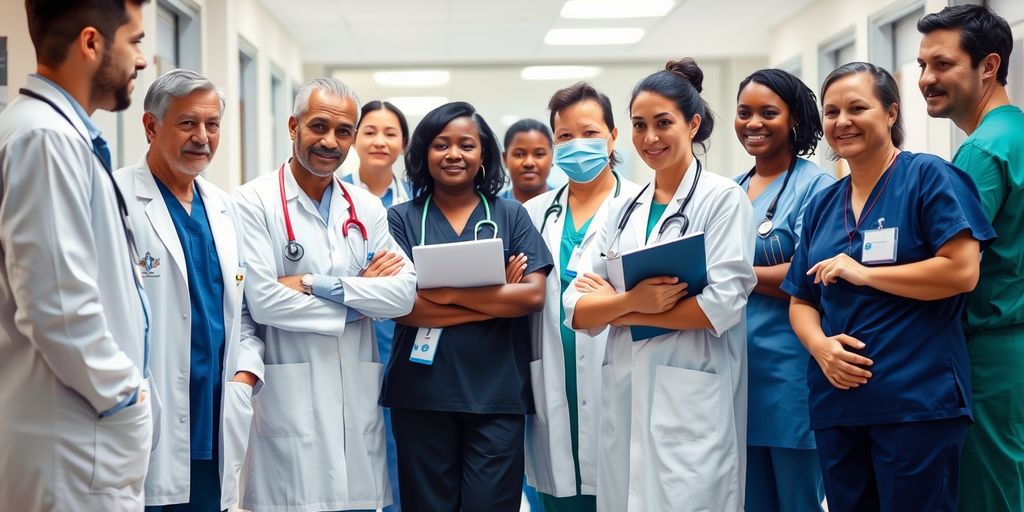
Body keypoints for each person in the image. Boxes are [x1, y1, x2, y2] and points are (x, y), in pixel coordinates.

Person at [782, 62, 995, 512]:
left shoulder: (929, 177)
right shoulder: (824, 203)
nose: (842, 122)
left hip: (916, 400)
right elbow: (801, 300)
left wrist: (865, 273)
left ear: (892, 113)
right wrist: (821, 348)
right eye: (832, 111)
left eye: (858, 108)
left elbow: (961, 272)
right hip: (837, 403)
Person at [564, 58, 755, 511]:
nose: (650, 138)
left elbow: (721, 306)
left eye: (663, 123)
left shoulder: (722, 199)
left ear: (693, 124)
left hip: (692, 395)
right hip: (625, 397)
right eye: (639, 125)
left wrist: (620, 307)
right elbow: (576, 309)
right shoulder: (620, 209)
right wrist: (636, 300)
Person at [234, 77, 417, 512]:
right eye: (318, 126)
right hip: (287, 405)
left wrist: (318, 285)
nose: (330, 141)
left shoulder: (366, 207)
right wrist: (360, 303)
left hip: (353, 404)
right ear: (293, 125)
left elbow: (403, 295)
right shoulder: (252, 202)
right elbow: (264, 300)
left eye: (343, 131)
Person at [0, 1, 153, 510]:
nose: (142, 60)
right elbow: (58, 307)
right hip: (74, 440)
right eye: (134, 41)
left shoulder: (50, 132)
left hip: (76, 434)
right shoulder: (45, 138)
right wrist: (125, 395)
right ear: (91, 44)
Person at [382, 101, 553, 511]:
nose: (454, 154)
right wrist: (497, 295)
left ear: (483, 156)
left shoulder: (511, 215)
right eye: (441, 144)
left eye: (466, 145)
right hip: (422, 395)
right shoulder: (400, 220)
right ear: (424, 152)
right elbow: (402, 307)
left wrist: (442, 293)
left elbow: (532, 295)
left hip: (495, 395)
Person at [113, 69, 258, 512]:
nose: (202, 137)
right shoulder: (116, 198)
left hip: (215, 415)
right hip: (147, 416)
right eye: (187, 123)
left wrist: (246, 373)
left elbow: (244, 310)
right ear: (151, 126)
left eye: (212, 124)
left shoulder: (224, 208)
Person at [917, 7, 1024, 511]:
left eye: (941, 64)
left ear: (988, 66)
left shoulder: (983, 151)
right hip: (1010, 349)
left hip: (990, 354)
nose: (926, 79)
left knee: (989, 494)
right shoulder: (1015, 135)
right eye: (922, 65)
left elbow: (951, 264)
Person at [522, 82, 640, 512]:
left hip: (618, 376)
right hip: (552, 379)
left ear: (613, 136)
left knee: (619, 491)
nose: (578, 145)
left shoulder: (639, 207)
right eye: (565, 137)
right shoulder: (535, 213)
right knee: (557, 496)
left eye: (590, 133)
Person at [732, 69, 833, 512]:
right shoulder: (730, 190)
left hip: (790, 378)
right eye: (744, 113)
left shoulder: (817, 188)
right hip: (734, 375)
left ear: (794, 120)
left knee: (798, 502)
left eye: (768, 113)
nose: (753, 123)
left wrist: (735, 275)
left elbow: (812, 273)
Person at [343, 99, 412, 512]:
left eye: (390, 133)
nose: (379, 141)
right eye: (369, 131)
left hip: (404, 338)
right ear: (354, 138)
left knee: (398, 444)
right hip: (348, 333)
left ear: (403, 143)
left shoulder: (416, 204)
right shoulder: (334, 196)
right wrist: (363, 285)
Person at [502, 119, 554, 203]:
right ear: (505, 159)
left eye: (539, 154)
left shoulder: (567, 204)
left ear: (552, 158)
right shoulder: (491, 210)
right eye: (519, 154)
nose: (529, 163)